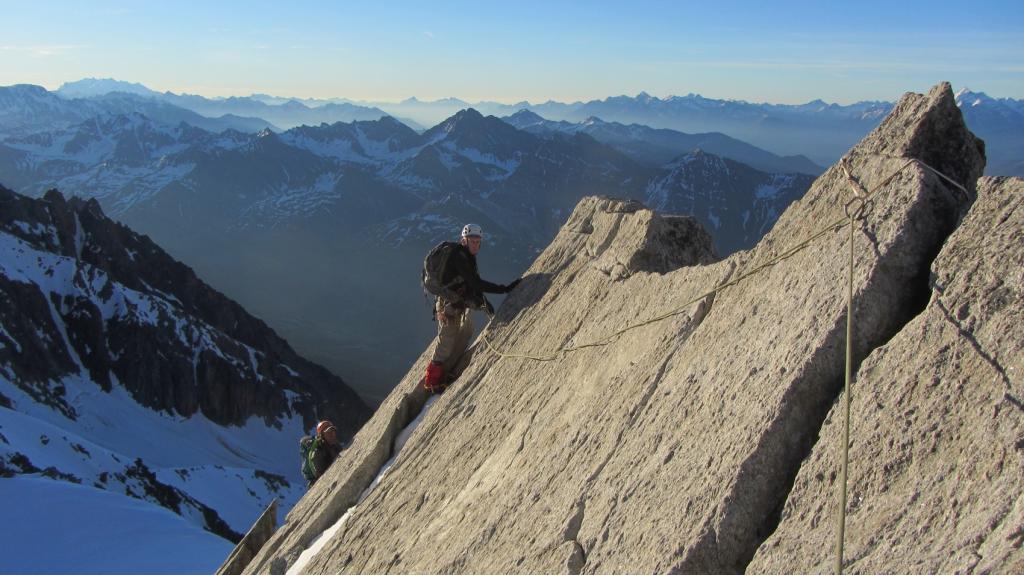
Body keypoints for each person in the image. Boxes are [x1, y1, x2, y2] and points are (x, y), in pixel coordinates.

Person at [421, 223, 520, 393]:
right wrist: (504, 288)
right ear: (463, 240)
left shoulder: (466, 256)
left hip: (453, 298)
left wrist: (483, 300)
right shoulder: (459, 256)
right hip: (448, 303)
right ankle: (432, 382)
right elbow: (476, 283)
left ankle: (444, 372)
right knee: (446, 339)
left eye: (478, 242)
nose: (476, 245)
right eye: (472, 241)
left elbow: (471, 282)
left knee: (462, 331)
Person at [301, 420, 343, 487]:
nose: (332, 434)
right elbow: (321, 475)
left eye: (333, 431)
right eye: (328, 432)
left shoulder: (334, 444)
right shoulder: (317, 452)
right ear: (322, 435)